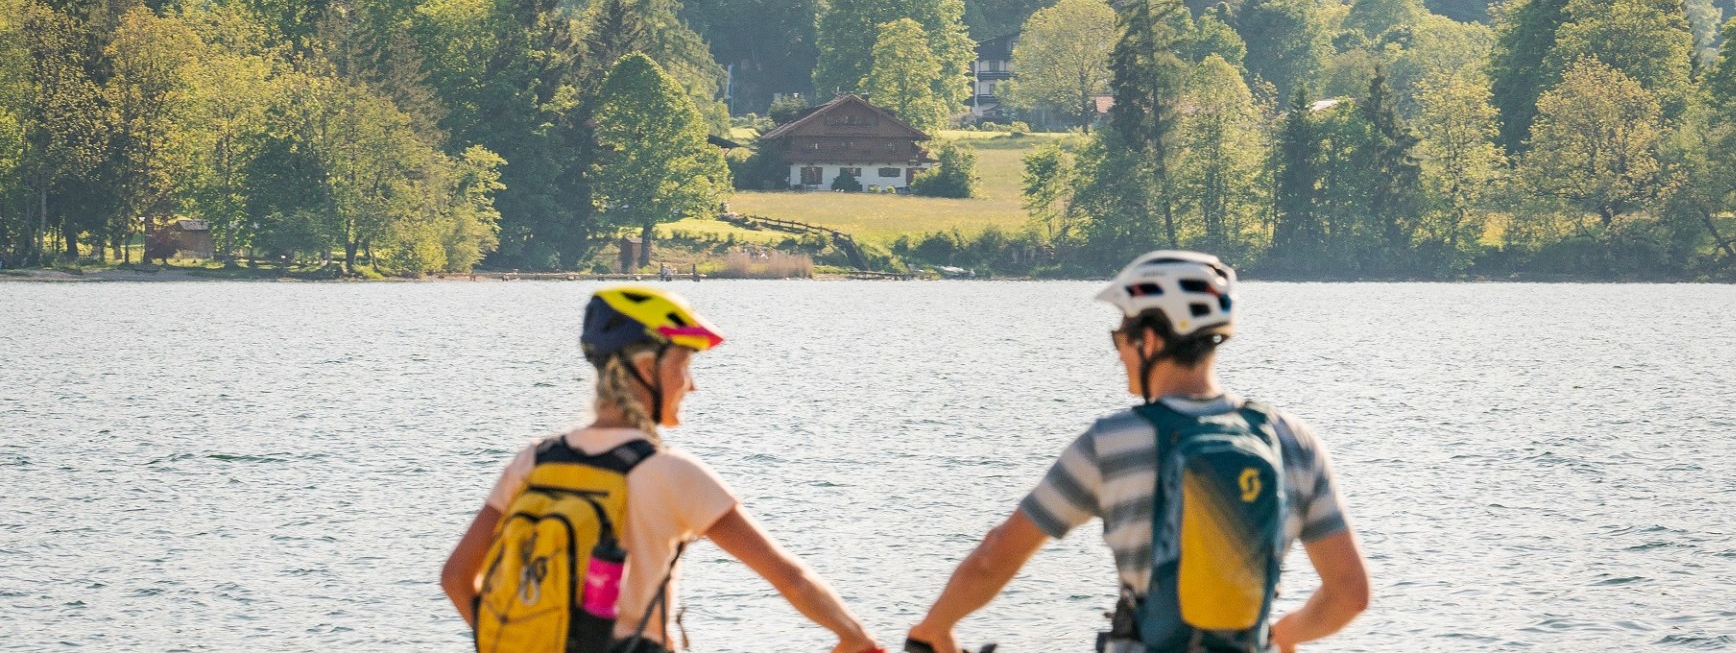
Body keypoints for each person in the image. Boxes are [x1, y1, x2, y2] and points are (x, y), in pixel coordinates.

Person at [905, 251, 1370, 653]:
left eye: (1119, 338)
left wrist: (934, 628)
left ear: (1149, 340)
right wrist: (1281, 633)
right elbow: (1349, 594)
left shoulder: (1114, 441)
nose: (1118, 353)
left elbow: (997, 555)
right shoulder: (1292, 440)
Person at [442, 286, 884, 653]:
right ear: (646, 367)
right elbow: (791, 578)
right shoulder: (670, 473)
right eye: (684, 364)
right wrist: (856, 637)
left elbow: (457, 576)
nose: (691, 384)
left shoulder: (534, 459)